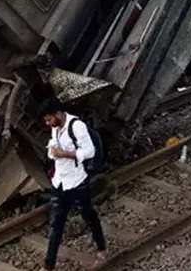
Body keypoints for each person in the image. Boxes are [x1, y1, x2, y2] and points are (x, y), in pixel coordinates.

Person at [39, 98, 107, 270]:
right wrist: (53, 153)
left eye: (49, 119)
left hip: (77, 181)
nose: (48, 124)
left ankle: (102, 250)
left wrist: (65, 154)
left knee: (88, 215)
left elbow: (89, 151)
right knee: (56, 223)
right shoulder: (56, 128)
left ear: (59, 114)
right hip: (60, 182)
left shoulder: (77, 126)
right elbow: (53, 150)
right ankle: (49, 266)